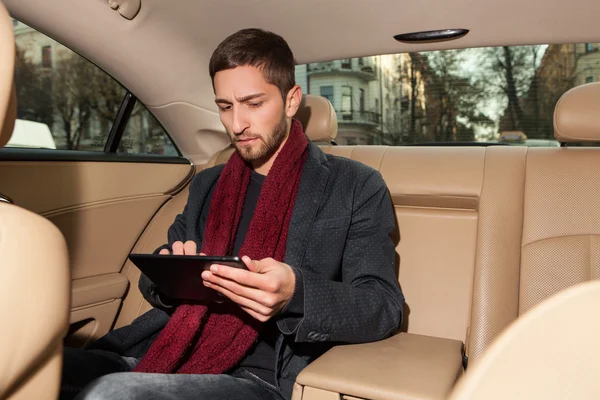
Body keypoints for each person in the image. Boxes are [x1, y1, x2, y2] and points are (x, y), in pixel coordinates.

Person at [61, 28, 404, 400]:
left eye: (253, 104)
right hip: (162, 351)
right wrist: (171, 272)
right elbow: (155, 282)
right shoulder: (209, 183)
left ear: (291, 101)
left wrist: (296, 293)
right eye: (225, 106)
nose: (236, 124)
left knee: (111, 394)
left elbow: (382, 305)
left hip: (260, 377)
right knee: (32, 364)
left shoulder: (354, 184)